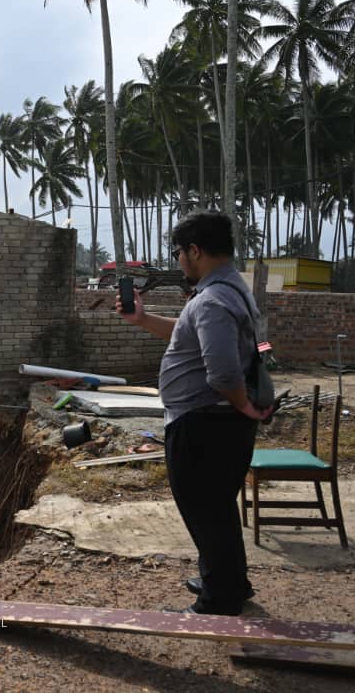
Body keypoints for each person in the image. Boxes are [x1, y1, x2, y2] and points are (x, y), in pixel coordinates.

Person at [117, 211, 272, 615]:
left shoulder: (213, 299)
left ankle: (220, 598)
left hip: (206, 422)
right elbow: (190, 332)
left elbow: (221, 372)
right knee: (215, 505)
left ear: (195, 251)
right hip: (217, 420)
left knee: (205, 508)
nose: (178, 260)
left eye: (179, 252)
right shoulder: (226, 290)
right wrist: (142, 318)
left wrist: (243, 406)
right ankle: (227, 580)